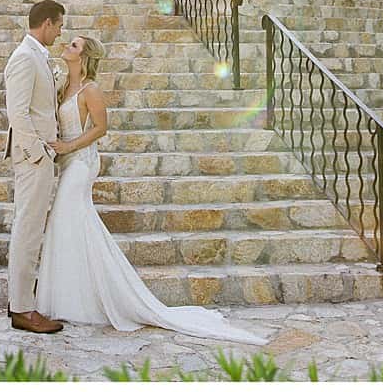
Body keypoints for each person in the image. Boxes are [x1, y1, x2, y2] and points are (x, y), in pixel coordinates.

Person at [34, 35, 267, 345]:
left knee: (69, 219)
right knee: (68, 225)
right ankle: (72, 296)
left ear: (85, 56)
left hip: (82, 163)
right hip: (68, 162)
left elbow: (101, 128)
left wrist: (68, 147)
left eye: (74, 45)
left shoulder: (91, 89)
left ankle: (103, 296)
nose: (67, 46)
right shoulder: (65, 85)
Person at [3, 0, 68, 334]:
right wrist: (39, 153)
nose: (60, 32)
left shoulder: (38, 57)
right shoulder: (25, 58)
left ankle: (22, 303)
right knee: (27, 229)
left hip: (38, 157)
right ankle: (22, 309)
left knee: (30, 228)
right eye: (58, 26)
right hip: (33, 159)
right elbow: (18, 113)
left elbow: (40, 103)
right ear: (45, 23)